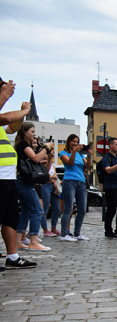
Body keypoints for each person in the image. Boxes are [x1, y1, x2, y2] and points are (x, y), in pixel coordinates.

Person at [0, 79, 36, 270]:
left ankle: (12, 256)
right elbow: (6, 118)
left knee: (10, 218)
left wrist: (22, 115)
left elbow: (12, 127)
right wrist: (6, 96)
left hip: (7, 177)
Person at [13, 122, 50, 251]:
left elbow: (33, 160)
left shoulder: (21, 145)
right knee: (37, 210)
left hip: (21, 180)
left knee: (26, 211)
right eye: (32, 132)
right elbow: (34, 158)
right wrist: (46, 148)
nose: (34, 135)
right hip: (24, 181)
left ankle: (18, 241)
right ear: (25, 132)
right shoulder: (23, 144)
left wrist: (41, 160)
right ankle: (34, 240)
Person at [58, 134, 90, 242]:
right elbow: (70, 163)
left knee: (82, 209)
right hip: (69, 181)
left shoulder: (80, 155)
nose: (75, 143)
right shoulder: (63, 153)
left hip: (81, 181)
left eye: (77, 142)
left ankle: (77, 234)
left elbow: (87, 167)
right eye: (73, 141)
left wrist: (89, 156)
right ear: (68, 142)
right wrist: (74, 151)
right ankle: (64, 234)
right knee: (68, 208)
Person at [102, 137, 117, 239]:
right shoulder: (106, 158)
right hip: (110, 186)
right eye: (116, 145)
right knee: (111, 209)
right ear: (110, 145)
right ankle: (108, 231)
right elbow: (108, 170)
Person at [39, 148, 61, 237]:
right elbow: (46, 176)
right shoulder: (41, 165)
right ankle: (45, 229)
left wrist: (52, 177)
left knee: (57, 209)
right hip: (45, 186)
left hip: (53, 186)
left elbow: (54, 176)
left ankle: (53, 227)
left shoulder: (52, 165)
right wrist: (51, 177)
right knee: (45, 209)